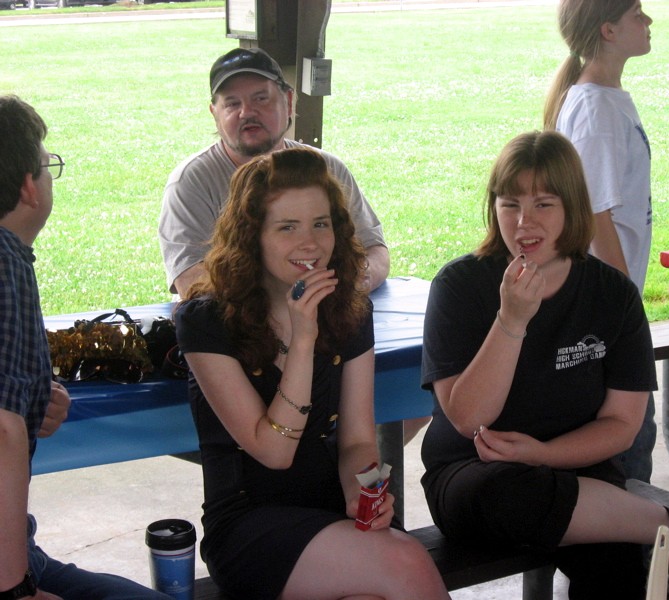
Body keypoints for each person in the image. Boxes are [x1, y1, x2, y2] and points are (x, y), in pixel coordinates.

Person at [419, 130, 669, 600]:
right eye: (510, 205)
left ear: (572, 207)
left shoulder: (613, 294)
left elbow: (621, 425)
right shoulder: (459, 285)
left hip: (580, 472)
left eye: (543, 204)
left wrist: (542, 454)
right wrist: (511, 321)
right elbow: (469, 419)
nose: (525, 222)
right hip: (476, 473)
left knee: (619, 574)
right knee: (505, 493)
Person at [174, 146, 450, 600]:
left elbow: (358, 440)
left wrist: (366, 491)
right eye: (288, 227)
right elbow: (274, 451)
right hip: (251, 523)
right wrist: (303, 340)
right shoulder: (207, 321)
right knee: (407, 562)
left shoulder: (348, 311)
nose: (311, 243)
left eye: (321, 224)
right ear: (252, 236)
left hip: (332, 505)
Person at [0, 95, 171, 600]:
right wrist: (16, 590)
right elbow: (1, 431)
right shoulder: (5, 263)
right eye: (47, 165)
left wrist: (36, 399)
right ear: (29, 186)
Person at [158, 46, 389, 299]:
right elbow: (191, 280)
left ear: (288, 101)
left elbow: (374, 251)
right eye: (232, 104)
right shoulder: (192, 182)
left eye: (261, 99)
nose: (247, 112)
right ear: (215, 114)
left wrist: (346, 286)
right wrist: (287, 304)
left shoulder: (324, 168)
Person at [542, 0, 656, 484]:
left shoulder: (604, 98)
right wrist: (625, 301)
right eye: (638, 13)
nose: (648, 22)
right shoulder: (596, 107)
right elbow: (594, 215)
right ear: (608, 30)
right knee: (629, 437)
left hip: (605, 296)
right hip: (606, 300)